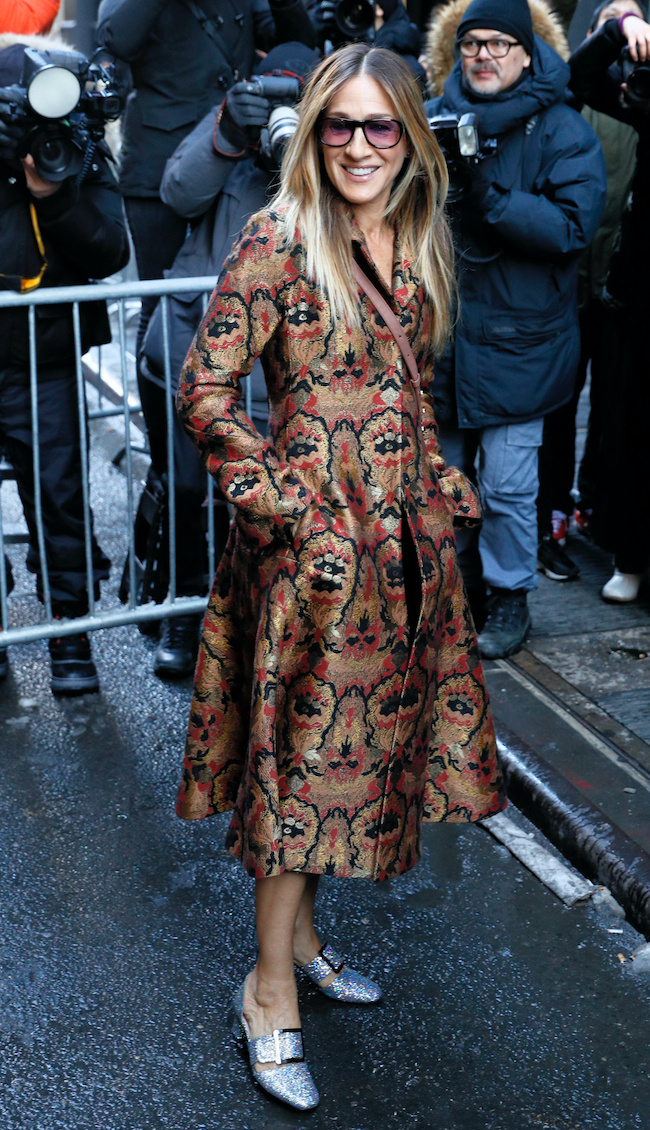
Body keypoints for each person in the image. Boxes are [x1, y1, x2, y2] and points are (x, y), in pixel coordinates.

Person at [175, 42, 506, 1110]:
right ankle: (266, 989)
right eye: (338, 125)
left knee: (346, 773)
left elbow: (395, 399)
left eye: (379, 126)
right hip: (308, 573)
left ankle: (305, 939)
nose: (358, 145)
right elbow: (206, 395)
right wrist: (291, 505)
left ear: (412, 136)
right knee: (297, 778)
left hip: (399, 563)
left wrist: (433, 477)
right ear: (310, 133)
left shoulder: (416, 240)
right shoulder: (277, 239)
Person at [424, 0, 606, 657]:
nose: (484, 55)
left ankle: (509, 598)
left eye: (500, 43)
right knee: (448, 482)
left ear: (529, 54)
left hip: (520, 345)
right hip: (445, 341)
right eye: (473, 43)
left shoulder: (562, 130)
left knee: (505, 486)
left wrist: (488, 197)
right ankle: (459, 592)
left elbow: (571, 227)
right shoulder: (433, 118)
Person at [136, 42, 318, 678]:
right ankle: (183, 615)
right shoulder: (233, 129)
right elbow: (177, 192)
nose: (277, 111)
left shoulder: (330, 141)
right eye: (268, 93)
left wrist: (304, 144)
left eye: (292, 97)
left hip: (283, 365)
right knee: (188, 487)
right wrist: (225, 132)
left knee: (271, 498)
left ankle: (263, 625)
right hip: (196, 348)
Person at [0, 37, 129, 693]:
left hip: (40, 357)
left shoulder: (71, 148)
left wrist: (52, 193)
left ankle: (71, 640)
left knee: (59, 498)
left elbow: (109, 249)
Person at [97, 0, 316, 356]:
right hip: (159, 166)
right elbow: (115, 39)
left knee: (231, 294)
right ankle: (161, 401)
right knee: (160, 305)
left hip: (232, 156)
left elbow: (297, 43)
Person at [536, 0, 643, 583]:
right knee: (557, 405)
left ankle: (599, 508)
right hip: (572, 281)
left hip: (620, 286)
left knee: (613, 409)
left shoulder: (640, 92)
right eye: (611, 17)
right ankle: (551, 517)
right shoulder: (582, 88)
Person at [569, 8, 650, 601]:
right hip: (637, 295)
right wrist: (620, 23)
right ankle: (631, 555)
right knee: (628, 431)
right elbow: (580, 82)